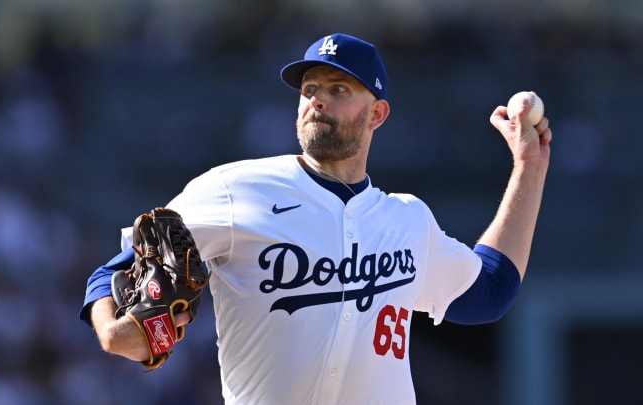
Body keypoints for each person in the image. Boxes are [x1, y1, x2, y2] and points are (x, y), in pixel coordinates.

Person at [80, 33, 552, 404]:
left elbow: (489, 292)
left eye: (338, 88)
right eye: (309, 89)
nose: (317, 100)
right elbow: (112, 271)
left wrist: (529, 168)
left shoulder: (408, 220)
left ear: (377, 114)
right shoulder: (232, 190)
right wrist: (108, 327)